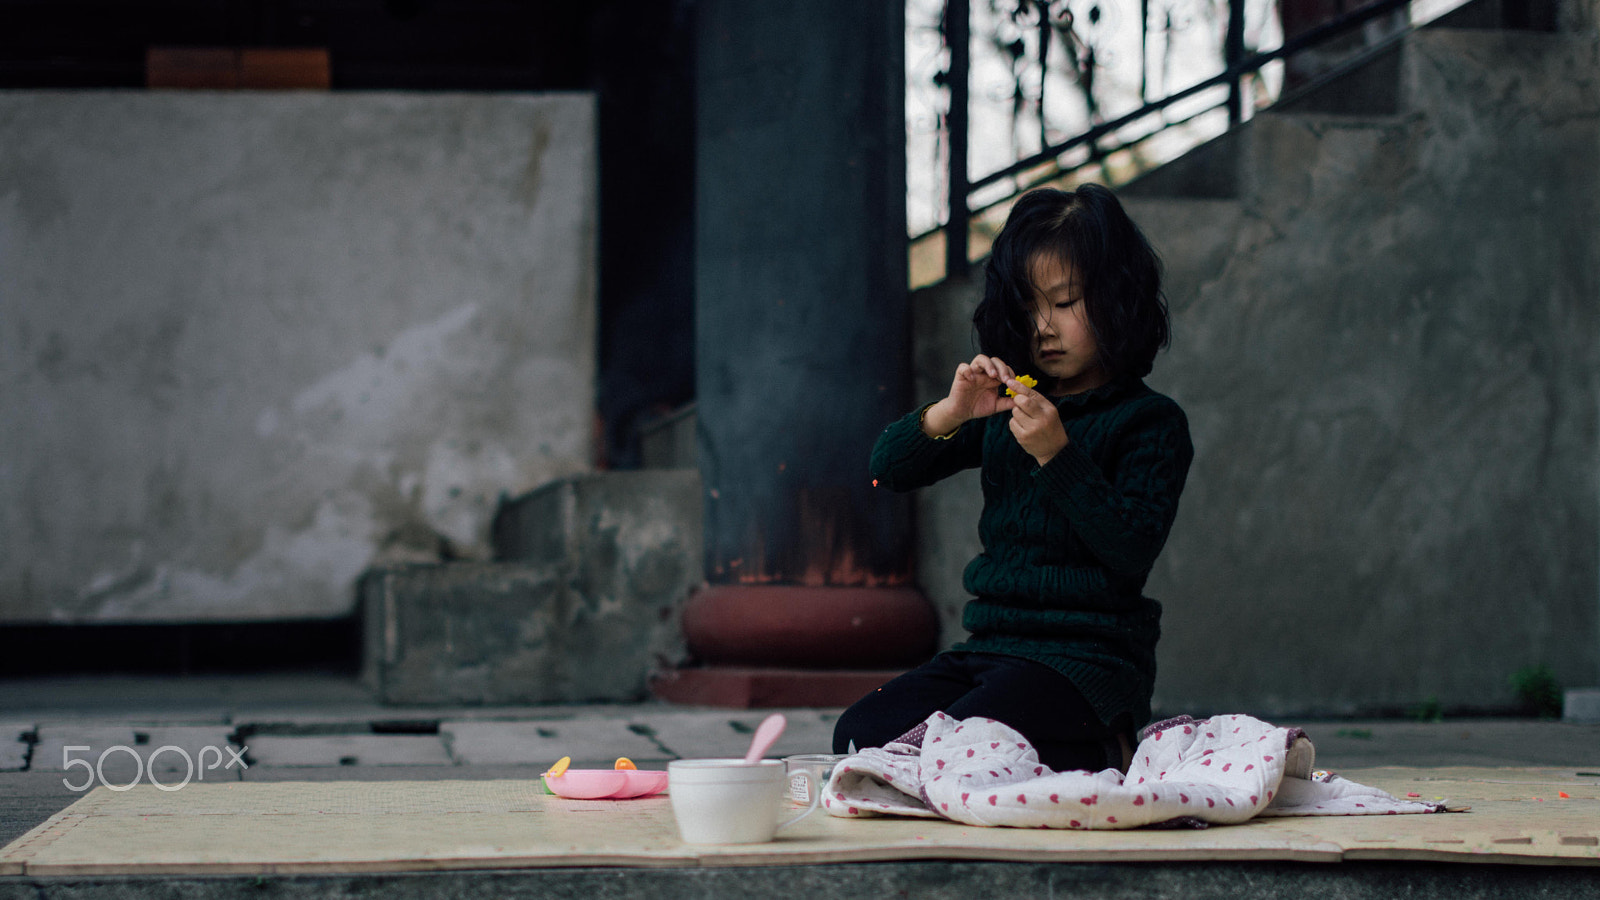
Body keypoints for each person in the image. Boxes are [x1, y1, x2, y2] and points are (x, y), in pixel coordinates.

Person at [833, 184, 1194, 773]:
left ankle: (1106, 744)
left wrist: (1058, 455)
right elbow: (885, 470)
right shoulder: (1008, 407)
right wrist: (952, 412)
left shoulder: (1150, 423)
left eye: (1064, 301)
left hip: (1089, 666)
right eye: (1028, 306)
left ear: (1117, 298)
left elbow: (1130, 550)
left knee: (966, 750)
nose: (1043, 327)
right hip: (991, 649)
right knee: (860, 735)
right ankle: (1043, 757)